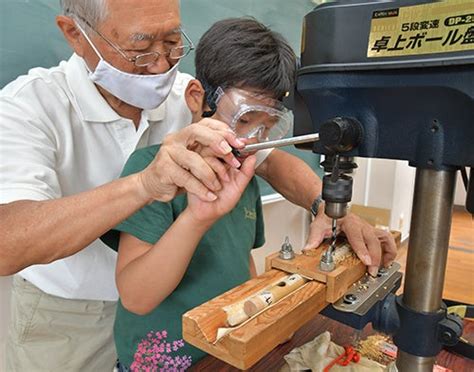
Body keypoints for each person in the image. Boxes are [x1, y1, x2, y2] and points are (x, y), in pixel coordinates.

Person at [0, 1, 396, 370]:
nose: (160, 67)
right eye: (140, 50)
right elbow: (8, 242)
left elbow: (271, 161)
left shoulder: (193, 97)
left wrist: (326, 207)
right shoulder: (26, 107)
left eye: (172, 42)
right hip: (70, 317)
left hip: (193, 326)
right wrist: (146, 184)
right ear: (74, 33)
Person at [108, 18, 395, 370]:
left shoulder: (244, 176)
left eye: (267, 127)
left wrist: (263, 321)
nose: (252, 141)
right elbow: (136, 297)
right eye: (244, 120)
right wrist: (196, 218)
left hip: (227, 356)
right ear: (198, 98)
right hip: (162, 363)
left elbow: (242, 264)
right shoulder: (152, 172)